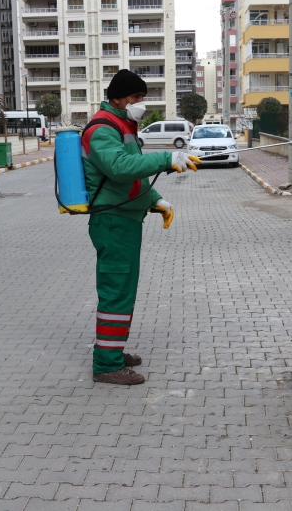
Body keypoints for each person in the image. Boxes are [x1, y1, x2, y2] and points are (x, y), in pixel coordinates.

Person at [82, 69, 201, 385]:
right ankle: (106, 365)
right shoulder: (101, 129)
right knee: (116, 292)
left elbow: (133, 177)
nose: (140, 104)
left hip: (124, 218)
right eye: (135, 98)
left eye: (142, 98)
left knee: (124, 291)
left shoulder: (122, 125)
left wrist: (155, 200)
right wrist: (167, 158)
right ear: (118, 98)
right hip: (113, 220)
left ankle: (114, 352)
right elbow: (120, 169)